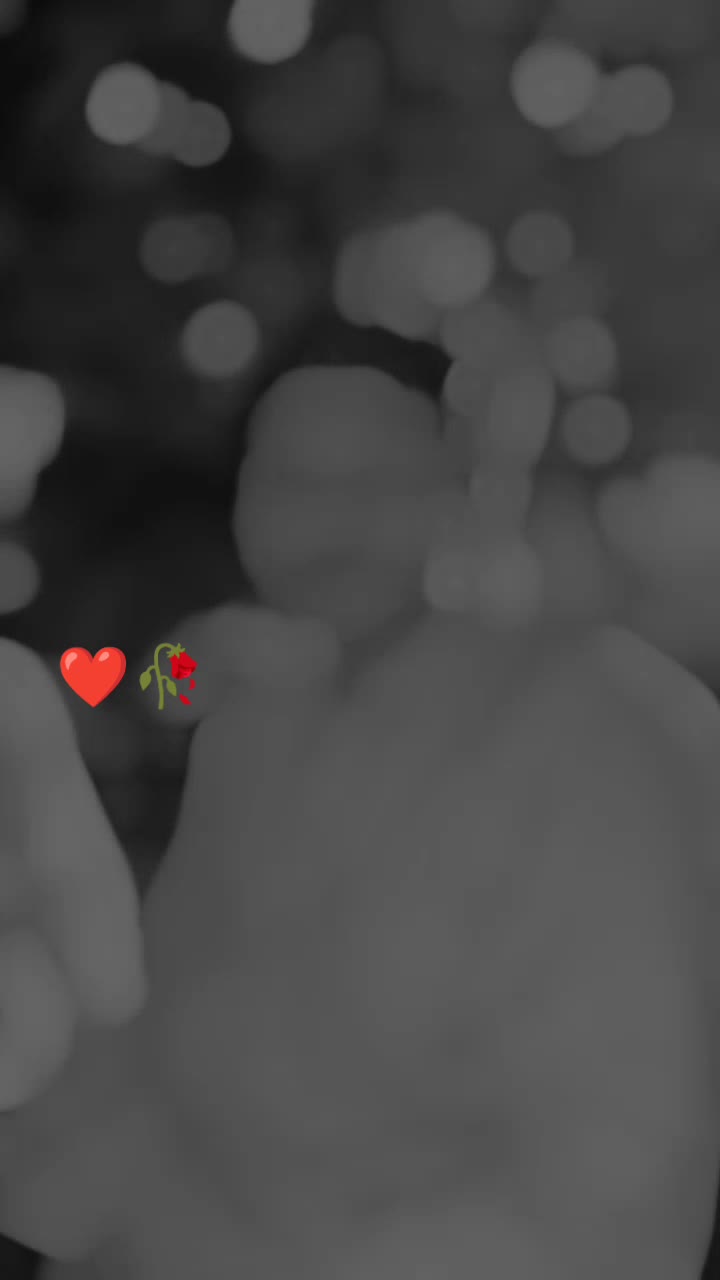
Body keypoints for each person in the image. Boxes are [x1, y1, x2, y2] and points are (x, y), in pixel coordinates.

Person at [3, 367, 720, 1279]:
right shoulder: (255, 718)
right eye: (289, 481)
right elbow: (179, 1035)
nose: (328, 523)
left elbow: (617, 1180)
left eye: (376, 481)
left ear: (458, 493)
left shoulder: (605, 728)